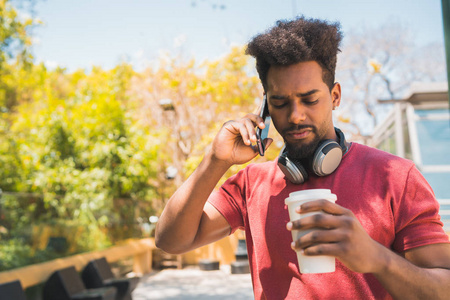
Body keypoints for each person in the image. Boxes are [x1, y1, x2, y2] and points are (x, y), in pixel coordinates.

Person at [155, 17, 450, 299]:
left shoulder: (395, 176)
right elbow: (170, 241)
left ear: (335, 96)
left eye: (310, 100)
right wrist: (215, 161)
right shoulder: (250, 184)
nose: (296, 115)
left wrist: (378, 259)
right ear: (265, 107)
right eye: (280, 103)